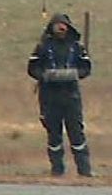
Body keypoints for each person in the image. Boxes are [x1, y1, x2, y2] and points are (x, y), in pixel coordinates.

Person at [27, 13, 93, 177]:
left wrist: (74, 74)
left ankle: (84, 170)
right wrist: (45, 76)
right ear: (52, 27)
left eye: (63, 25)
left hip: (71, 96)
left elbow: (86, 68)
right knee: (53, 133)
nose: (60, 28)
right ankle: (57, 170)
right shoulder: (43, 47)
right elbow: (32, 68)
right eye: (57, 24)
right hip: (49, 96)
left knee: (76, 132)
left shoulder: (77, 47)